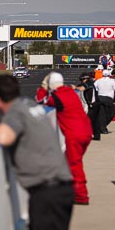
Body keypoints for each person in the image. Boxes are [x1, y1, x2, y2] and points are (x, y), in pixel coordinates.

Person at [0, 74, 74, 230]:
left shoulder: (15, 111)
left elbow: (4, 137)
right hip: (61, 186)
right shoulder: (29, 104)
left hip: (48, 193)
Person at [35, 72, 92, 205]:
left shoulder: (58, 96)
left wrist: (43, 88)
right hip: (86, 131)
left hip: (74, 135)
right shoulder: (70, 92)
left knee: (74, 165)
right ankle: (66, 189)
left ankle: (81, 196)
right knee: (67, 162)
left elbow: (40, 100)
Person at [94, 70, 115, 134]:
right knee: (111, 114)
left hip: (99, 98)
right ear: (109, 74)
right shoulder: (112, 81)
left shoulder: (98, 81)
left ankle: (101, 128)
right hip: (108, 99)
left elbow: (93, 88)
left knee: (101, 114)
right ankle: (103, 127)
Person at [77, 72, 101, 140]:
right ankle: (96, 136)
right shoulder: (89, 82)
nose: (81, 81)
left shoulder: (89, 83)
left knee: (88, 120)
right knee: (95, 121)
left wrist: (74, 87)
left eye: (82, 80)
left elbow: (81, 88)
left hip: (94, 104)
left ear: (85, 79)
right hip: (95, 103)